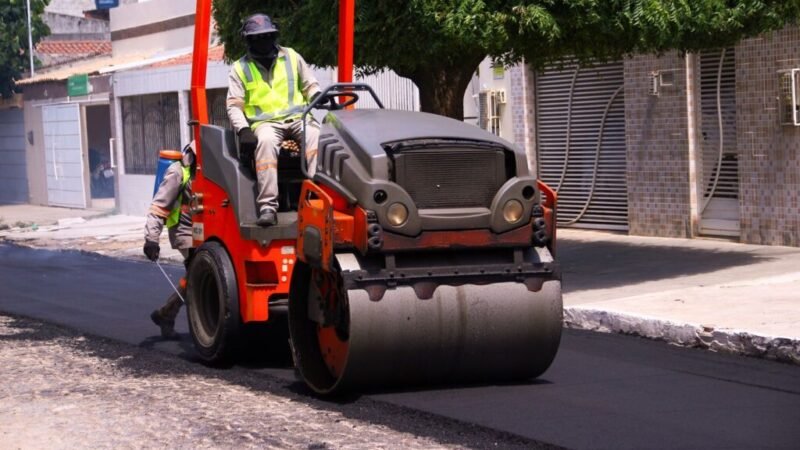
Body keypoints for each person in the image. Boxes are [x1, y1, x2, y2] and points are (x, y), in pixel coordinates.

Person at [226, 13, 321, 227]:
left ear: (274, 35)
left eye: (267, 36)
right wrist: (244, 130)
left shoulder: (292, 57)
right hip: (265, 124)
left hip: (298, 118)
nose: (263, 41)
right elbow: (234, 105)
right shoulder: (240, 68)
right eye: (257, 38)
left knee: (316, 136)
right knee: (266, 143)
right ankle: (268, 207)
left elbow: (310, 85)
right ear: (248, 40)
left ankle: (317, 195)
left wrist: (316, 95)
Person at [144, 142, 195, 339]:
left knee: (193, 275)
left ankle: (166, 314)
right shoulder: (178, 171)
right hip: (184, 231)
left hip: (203, 230)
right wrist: (151, 239)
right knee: (198, 272)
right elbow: (158, 207)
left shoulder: (210, 169)